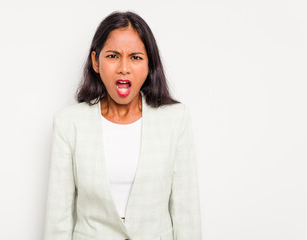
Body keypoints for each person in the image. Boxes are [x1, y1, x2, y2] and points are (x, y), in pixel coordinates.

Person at [43, 10, 202, 240]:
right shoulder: (69, 123)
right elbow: (57, 220)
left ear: (149, 65)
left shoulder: (176, 120)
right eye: (113, 56)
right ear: (96, 62)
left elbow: (187, 215)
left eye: (136, 57)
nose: (124, 68)